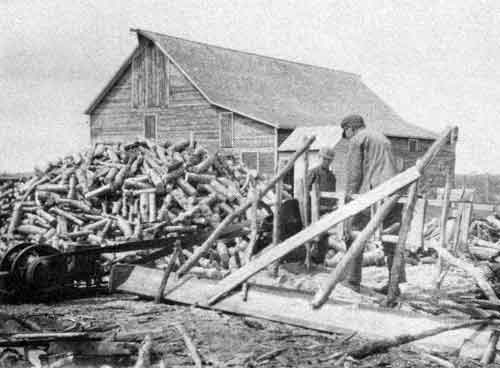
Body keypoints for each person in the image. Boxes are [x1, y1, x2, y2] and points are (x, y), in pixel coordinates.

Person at [341, 114, 405, 294]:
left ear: (350, 129)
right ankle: (395, 285)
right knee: (391, 239)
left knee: (353, 231)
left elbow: (354, 173)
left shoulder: (357, 139)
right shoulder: (382, 138)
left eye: (346, 133)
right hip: (394, 190)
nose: (347, 137)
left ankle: (353, 280)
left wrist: (350, 198)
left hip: (374, 191)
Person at [305, 146, 337, 264]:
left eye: (329, 160)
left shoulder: (332, 176)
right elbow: (305, 192)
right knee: (311, 235)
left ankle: (319, 260)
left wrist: (333, 207)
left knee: (324, 236)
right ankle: (308, 258)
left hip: (327, 211)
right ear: (319, 158)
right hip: (313, 210)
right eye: (324, 159)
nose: (326, 162)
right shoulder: (313, 173)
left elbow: (332, 194)